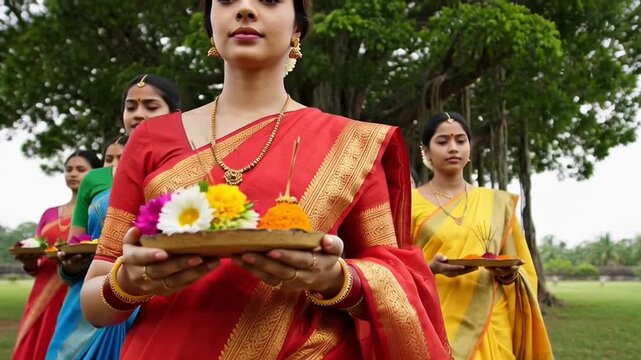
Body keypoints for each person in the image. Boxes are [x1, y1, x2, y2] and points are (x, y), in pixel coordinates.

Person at [80, 1, 452, 359]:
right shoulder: (149, 140)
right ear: (211, 23)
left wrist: (336, 279)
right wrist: (129, 282)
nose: (244, 8)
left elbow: (396, 281)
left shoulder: (351, 144)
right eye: (226, 0)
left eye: (271, 0)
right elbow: (95, 302)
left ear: (297, 27)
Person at [46, 75, 182, 360]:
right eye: (131, 106)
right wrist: (70, 266)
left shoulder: (186, 170)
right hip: (92, 301)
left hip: (156, 298)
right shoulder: (94, 179)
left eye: (151, 106)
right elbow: (75, 244)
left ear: (175, 114)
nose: (138, 114)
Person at [411, 112, 553, 359]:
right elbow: (390, 266)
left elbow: (521, 267)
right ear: (426, 151)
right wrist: (429, 268)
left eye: (461, 140)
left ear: (470, 148)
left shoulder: (497, 203)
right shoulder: (407, 204)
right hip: (432, 320)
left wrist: (509, 275)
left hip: (490, 322)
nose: (453, 148)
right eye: (442, 142)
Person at [12, 151, 101, 360]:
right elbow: (38, 259)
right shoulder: (49, 214)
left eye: (81, 169)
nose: (73, 174)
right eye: (69, 169)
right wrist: (29, 263)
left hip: (73, 287)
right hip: (42, 289)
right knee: (35, 344)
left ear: (96, 173)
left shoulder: (95, 212)